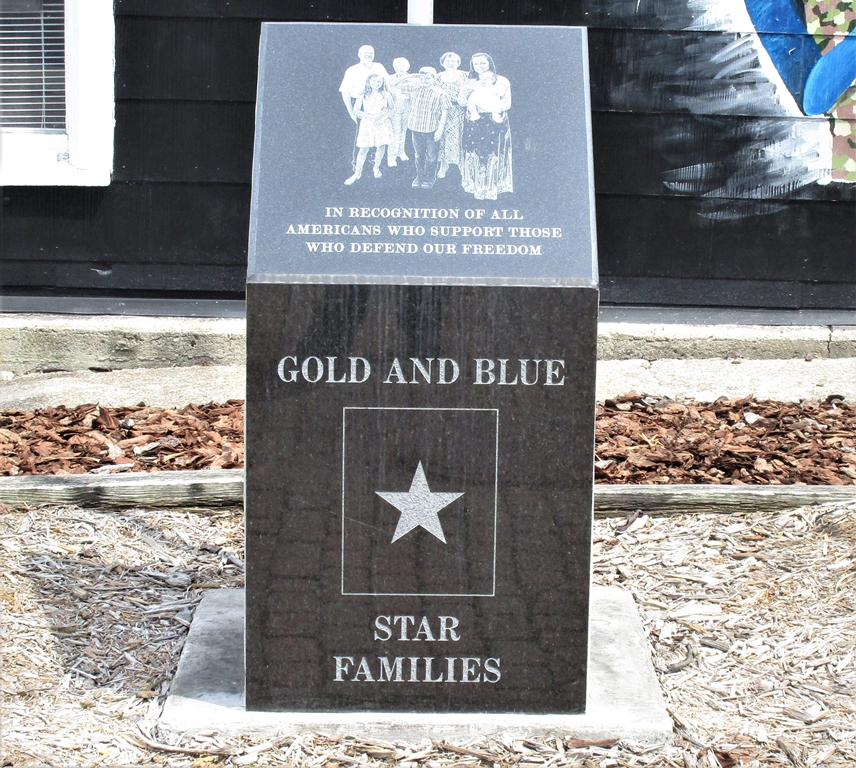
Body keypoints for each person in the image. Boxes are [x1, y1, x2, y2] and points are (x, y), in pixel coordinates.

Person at [458, 53, 512, 200]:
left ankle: (493, 187)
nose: (479, 67)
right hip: (474, 121)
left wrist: (494, 108)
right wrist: (466, 93)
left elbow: (507, 104)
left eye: (483, 63)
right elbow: (462, 102)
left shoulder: (501, 80)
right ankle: (477, 187)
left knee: (494, 154)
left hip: (495, 120)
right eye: (476, 64)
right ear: (472, 66)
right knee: (476, 153)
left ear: (490, 63)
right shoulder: (469, 81)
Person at [406, 67, 451, 189]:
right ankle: (419, 176)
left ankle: (430, 177)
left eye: (428, 78)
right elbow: (393, 85)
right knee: (418, 155)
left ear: (434, 79)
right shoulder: (414, 89)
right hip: (416, 128)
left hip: (432, 130)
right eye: (422, 78)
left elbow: (445, 112)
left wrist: (440, 130)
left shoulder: (441, 93)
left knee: (432, 156)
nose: (425, 80)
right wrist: (411, 76)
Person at [345, 74, 394, 184]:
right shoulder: (363, 95)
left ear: (382, 83)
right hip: (367, 123)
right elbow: (356, 110)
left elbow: (391, 109)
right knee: (363, 149)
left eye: (379, 82)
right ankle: (357, 173)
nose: (376, 84)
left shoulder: (386, 95)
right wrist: (368, 116)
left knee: (381, 146)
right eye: (374, 81)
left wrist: (383, 117)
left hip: (382, 123)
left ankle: (376, 167)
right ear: (369, 82)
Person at [436, 52, 468, 179]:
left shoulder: (465, 75)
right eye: (448, 61)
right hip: (443, 111)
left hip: (460, 110)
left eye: (453, 61)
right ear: (442, 63)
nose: (450, 63)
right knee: (443, 137)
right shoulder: (438, 77)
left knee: (460, 136)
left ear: (458, 62)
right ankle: (443, 165)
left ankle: (461, 164)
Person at [386, 58, 421, 166]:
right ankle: (391, 157)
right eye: (397, 66)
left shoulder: (414, 79)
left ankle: (401, 152)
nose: (399, 68)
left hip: (408, 107)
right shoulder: (390, 78)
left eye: (402, 66)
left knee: (403, 131)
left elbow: (416, 91)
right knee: (395, 132)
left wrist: (407, 93)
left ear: (407, 67)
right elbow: (390, 89)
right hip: (395, 108)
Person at [339, 46, 388, 123]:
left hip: (379, 103)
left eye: (371, 53)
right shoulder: (352, 70)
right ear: (359, 54)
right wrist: (352, 113)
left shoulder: (379, 67)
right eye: (366, 53)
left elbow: (388, 84)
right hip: (360, 105)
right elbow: (345, 93)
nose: (368, 55)